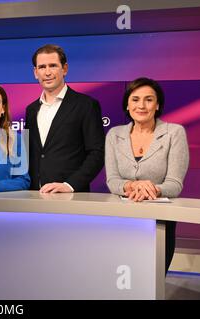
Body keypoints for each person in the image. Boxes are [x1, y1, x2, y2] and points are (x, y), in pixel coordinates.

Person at [105, 77, 189, 274]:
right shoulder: (114, 135)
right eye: (135, 99)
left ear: (157, 104)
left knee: (153, 280)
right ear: (127, 104)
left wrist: (151, 188)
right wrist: (131, 186)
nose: (141, 105)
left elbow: (174, 184)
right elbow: (112, 180)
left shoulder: (174, 133)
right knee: (124, 279)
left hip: (159, 221)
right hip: (122, 220)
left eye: (149, 99)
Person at [25, 44, 105, 193]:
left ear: (65, 69)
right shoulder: (31, 109)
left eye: (53, 66)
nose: (47, 72)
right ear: (35, 72)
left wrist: (70, 185)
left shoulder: (86, 105)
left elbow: (97, 152)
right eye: (42, 67)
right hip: (34, 196)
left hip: (72, 197)